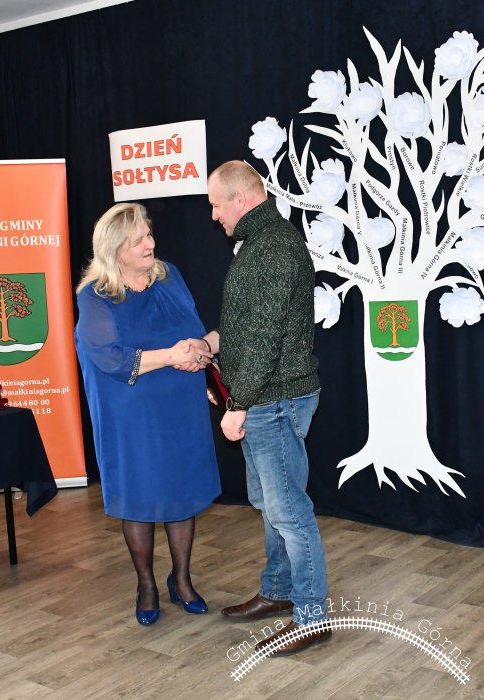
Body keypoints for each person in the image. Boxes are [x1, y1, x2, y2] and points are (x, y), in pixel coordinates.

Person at [199, 160, 330, 655]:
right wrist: (212, 346)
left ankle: (311, 618)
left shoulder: (272, 248)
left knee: (289, 511)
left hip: (273, 401)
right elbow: (248, 326)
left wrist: (238, 403)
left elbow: (266, 339)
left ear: (240, 199)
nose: (214, 215)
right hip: (267, 397)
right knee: (272, 505)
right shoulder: (260, 243)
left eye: (216, 205)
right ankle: (278, 590)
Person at [74, 202, 220, 626]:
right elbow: (110, 358)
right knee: (139, 497)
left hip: (179, 404)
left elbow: (192, 329)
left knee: (182, 491)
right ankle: (146, 584)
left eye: (149, 234)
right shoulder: (96, 296)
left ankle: (182, 579)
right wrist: (172, 355)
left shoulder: (169, 275)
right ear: (115, 250)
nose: (149, 244)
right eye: (137, 240)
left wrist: (197, 357)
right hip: (132, 415)